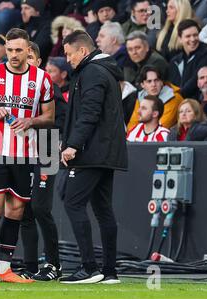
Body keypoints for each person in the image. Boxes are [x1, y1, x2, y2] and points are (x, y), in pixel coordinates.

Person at [0, 28, 55, 284]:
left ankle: (5, 268)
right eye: (10, 50)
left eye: (19, 50)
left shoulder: (42, 79)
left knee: (16, 211)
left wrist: (31, 121)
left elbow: (49, 117)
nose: (14, 55)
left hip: (27, 154)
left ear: (29, 50)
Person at [60, 30, 127, 284]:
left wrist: (73, 144)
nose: (67, 60)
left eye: (69, 54)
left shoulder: (92, 73)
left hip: (92, 152)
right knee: (103, 210)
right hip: (105, 152)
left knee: (72, 202)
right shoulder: (104, 70)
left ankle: (89, 267)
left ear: (83, 51)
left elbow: (90, 112)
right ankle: (109, 271)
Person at [19, 41, 63, 281]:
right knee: (25, 209)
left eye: (29, 59)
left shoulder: (47, 86)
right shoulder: (17, 88)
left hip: (46, 151)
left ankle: (54, 264)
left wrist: (63, 141)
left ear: (37, 62)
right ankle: (30, 266)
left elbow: (63, 116)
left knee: (40, 207)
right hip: (23, 153)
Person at [168, 19, 207, 99]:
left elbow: (194, 82)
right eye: (188, 36)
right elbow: (171, 85)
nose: (193, 39)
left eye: (195, 35)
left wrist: (177, 97)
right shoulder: (175, 61)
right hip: (179, 102)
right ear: (180, 39)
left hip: (198, 102)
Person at [127, 65, 183, 131]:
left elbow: (161, 126)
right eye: (149, 81)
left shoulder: (174, 97)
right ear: (142, 85)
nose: (153, 85)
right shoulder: (141, 98)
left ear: (162, 82)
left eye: (156, 80)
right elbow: (132, 125)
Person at [20, 0, 52, 65]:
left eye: (26, 8)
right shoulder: (21, 26)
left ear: (38, 11)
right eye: (22, 8)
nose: (22, 12)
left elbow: (36, 50)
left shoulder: (47, 27)